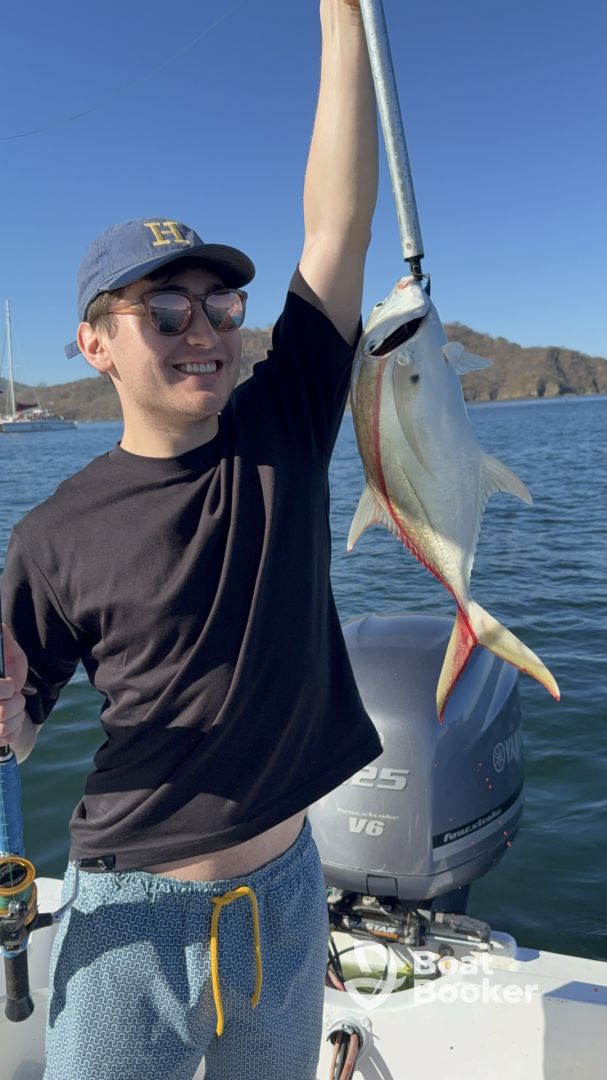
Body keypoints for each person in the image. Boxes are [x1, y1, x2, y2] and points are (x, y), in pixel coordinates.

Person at [0, 2, 381, 1077]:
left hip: (288, 895)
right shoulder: (54, 533)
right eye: (164, 311)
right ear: (96, 344)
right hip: (132, 919)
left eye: (222, 305)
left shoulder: (284, 427)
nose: (204, 330)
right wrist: (6, 719)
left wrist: (341, 22)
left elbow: (336, 230)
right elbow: (20, 731)